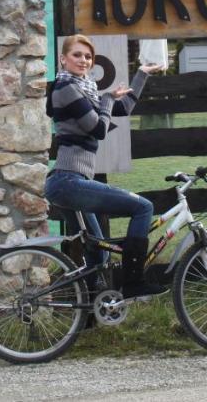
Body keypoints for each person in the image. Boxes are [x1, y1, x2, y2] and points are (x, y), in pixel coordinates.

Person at [45, 35, 166, 298]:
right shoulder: (65, 89)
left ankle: (86, 316)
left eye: (88, 56)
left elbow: (122, 109)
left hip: (70, 183)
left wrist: (141, 75)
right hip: (68, 181)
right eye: (77, 55)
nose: (84, 60)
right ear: (63, 59)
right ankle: (133, 283)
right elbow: (98, 128)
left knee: (97, 256)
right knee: (143, 207)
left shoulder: (83, 89)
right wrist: (108, 99)